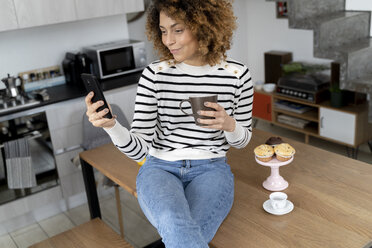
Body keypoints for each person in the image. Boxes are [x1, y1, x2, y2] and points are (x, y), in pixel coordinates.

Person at [85, 0, 254, 247]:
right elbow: (139, 149)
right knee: (174, 222)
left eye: (177, 30)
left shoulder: (238, 75)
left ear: (204, 26)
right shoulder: (155, 74)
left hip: (212, 168)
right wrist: (111, 126)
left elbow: (243, 140)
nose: (168, 41)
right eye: (163, 31)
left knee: (184, 232)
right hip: (159, 167)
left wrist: (230, 125)